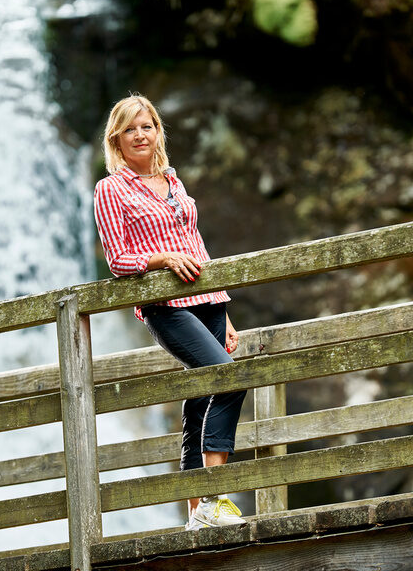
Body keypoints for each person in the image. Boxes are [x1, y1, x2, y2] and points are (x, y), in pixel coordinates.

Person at [93, 93, 247, 531]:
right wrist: (160, 260)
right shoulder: (111, 190)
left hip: (209, 302)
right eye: (130, 129)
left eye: (147, 126)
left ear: (158, 131)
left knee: (200, 404)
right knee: (228, 377)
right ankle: (215, 500)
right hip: (166, 306)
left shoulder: (173, 181)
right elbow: (118, 260)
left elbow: (197, 247)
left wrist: (225, 308)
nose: (140, 134)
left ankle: (195, 516)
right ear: (116, 140)